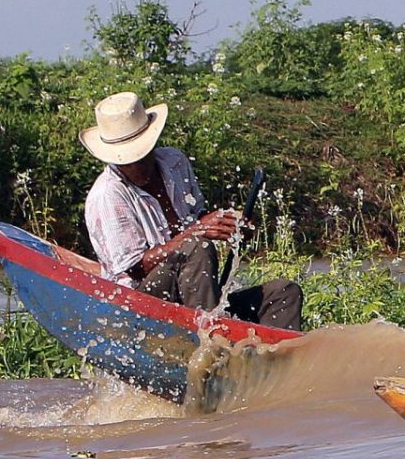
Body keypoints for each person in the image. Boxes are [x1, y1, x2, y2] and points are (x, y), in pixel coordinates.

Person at [81, 91, 303, 329]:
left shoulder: (174, 162)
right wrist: (196, 232)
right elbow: (135, 269)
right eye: (128, 161)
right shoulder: (108, 195)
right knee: (197, 245)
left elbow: (198, 217)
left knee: (284, 293)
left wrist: (230, 226)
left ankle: (274, 360)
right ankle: (209, 344)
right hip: (141, 305)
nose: (138, 165)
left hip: (194, 292)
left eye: (142, 155)